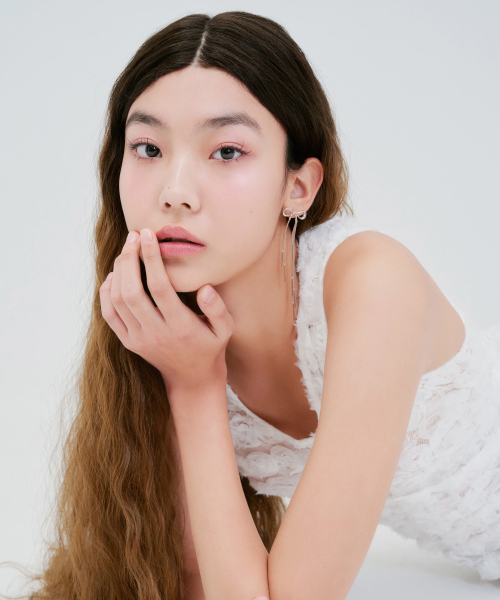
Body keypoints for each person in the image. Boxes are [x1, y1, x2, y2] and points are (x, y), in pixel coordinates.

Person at [10, 10, 499, 600]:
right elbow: (198, 581)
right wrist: (190, 377)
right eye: (148, 147)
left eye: (226, 152)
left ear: (298, 186)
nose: (175, 192)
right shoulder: (169, 334)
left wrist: (195, 387)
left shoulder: (374, 284)